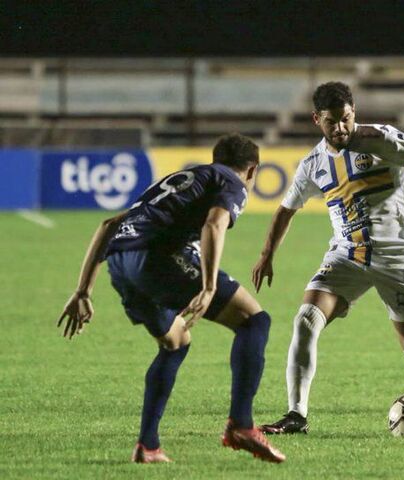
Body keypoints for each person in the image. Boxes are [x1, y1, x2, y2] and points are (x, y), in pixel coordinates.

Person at [252, 82, 404, 435]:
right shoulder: (313, 164)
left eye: (346, 119)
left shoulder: (381, 139)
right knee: (306, 320)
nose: (340, 128)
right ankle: (296, 415)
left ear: (354, 113)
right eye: (331, 122)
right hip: (347, 255)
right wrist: (267, 255)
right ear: (315, 119)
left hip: (397, 256)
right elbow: (285, 210)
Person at [57, 133, 285, 463]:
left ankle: (147, 446)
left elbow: (110, 223)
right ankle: (242, 426)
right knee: (254, 321)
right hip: (158, 258)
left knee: (175, 341)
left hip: (121, 264)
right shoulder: (231, 180)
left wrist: (82, 291)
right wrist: (208, 287)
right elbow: (215, 223)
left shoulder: (187, 178)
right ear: (253, 170)